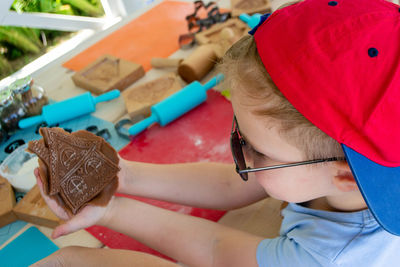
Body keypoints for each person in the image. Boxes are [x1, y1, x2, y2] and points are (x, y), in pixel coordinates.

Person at [32, 0, 400, 266]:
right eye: (240, 130)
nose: (238, 153)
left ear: (345, 175)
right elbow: (235, 184)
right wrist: (123, 175)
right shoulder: (336, 169)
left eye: (253, 148)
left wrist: (102, 227)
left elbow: (215, 251)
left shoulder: (329, 258)